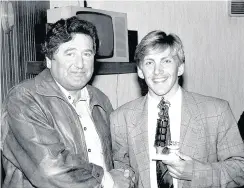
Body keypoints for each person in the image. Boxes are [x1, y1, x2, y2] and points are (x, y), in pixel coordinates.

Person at [1, 16, 133, 188]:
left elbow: (118, 156)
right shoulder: (23, 99)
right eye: (70, 53)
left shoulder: (101, 99)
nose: (80, 64)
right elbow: (50, 169)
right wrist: (106, 180)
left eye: (87, 54)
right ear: (49, 60)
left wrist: (127, 175)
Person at [110, 30, 244, 188]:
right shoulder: (120, 118)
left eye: (166, 61)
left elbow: (240, 170)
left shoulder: (217, 112)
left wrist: (197, 172)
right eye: (149, 62)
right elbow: (123, 172)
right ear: (140, 71)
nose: (157, 71)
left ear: (180, 68)